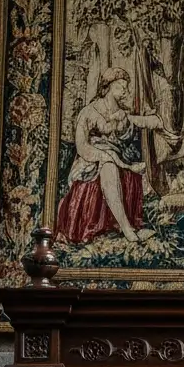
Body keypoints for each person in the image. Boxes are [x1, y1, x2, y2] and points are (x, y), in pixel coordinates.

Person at [54, 72, 145, 243]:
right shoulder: (89, 111)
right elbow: (82, 146)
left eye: (126, 87)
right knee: (109, 167)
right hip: (91, 159)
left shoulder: (123, 114)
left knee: (120, 166)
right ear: (107, 88)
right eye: (120, 86)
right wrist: (103, 155)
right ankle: (126, 229)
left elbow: (126, 140)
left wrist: (122, 128)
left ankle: (124, 225)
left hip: (118, 156)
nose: (125, 91)